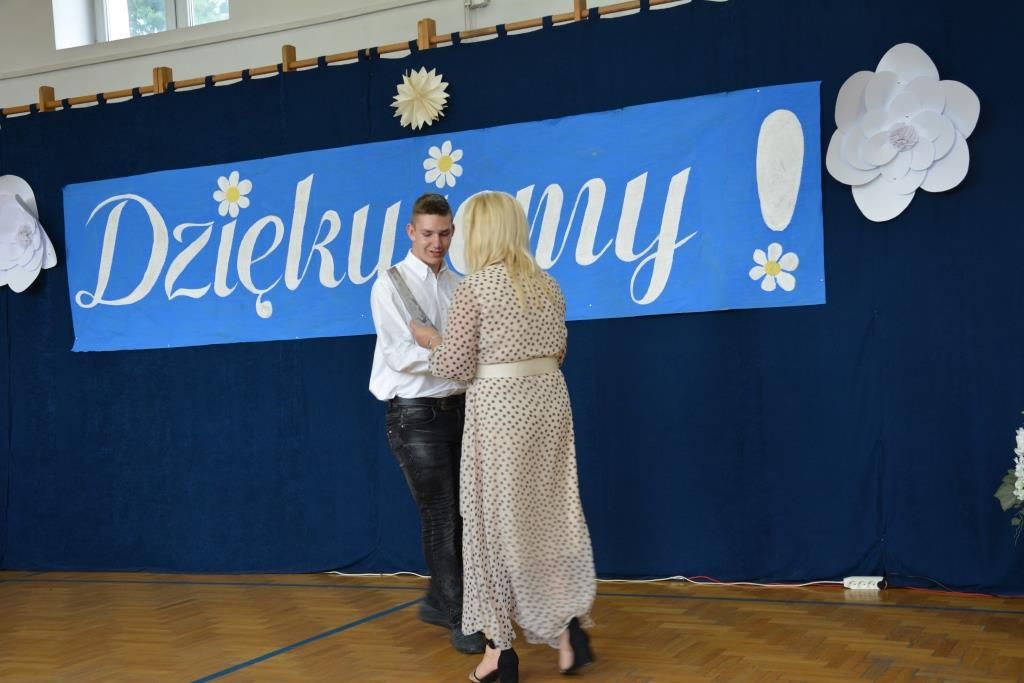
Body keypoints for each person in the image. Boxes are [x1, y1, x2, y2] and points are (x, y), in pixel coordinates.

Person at [410, 191, 597, 682]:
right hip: (549, 406)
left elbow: (455, 365)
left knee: (491, 530)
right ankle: (568, 631)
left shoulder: (475, 289)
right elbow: (558, 350)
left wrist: (431, 341)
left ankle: (498, 653)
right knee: (549, 518)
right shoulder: (548, 285)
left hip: (501, 414)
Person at [369, 192, 485, 655]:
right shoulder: (390, 284)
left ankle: (441, 599)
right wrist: (451, 352)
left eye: (444, 233)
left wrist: (437, 345)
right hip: (415, 415)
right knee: (441, 516)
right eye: (428, 234)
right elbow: (400, 355)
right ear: (411, 232)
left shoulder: (461, 285)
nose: (437, 243)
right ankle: (461, 617)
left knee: (465, 515)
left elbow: (473, 351)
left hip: (463, 409)